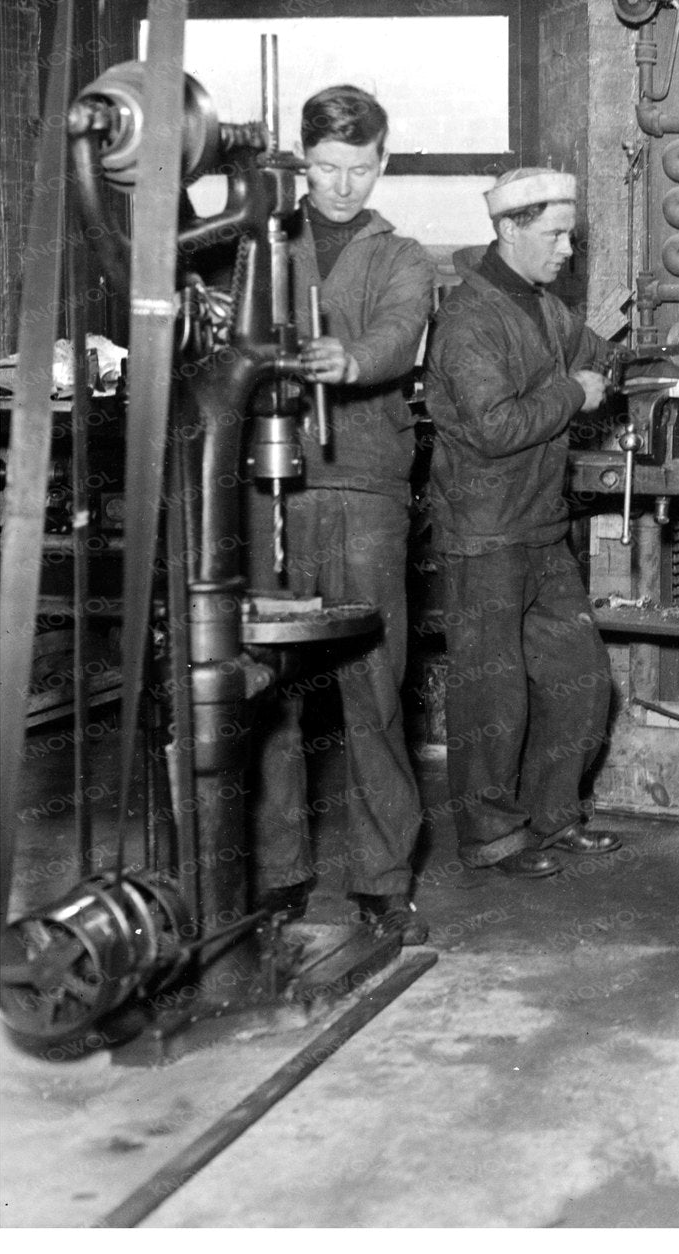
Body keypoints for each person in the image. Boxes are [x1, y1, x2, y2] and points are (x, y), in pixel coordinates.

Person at [250, 85, 437, 944]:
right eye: (326, 167)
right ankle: (275, 871)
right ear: (302, 160)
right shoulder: (260, 245)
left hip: (365, 491)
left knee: (372, 688)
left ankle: (382, 878)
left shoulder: (402, 255)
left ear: (382, 161)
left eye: (359, 168)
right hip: (271, 490)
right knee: (268, 686)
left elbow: (399, 336)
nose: (342, 185)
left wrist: (349, 360)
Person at [425, 166, 624, 878]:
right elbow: (495, 428)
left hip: (539, 525)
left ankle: (553, 814)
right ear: (509, 229)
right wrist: (573, 393)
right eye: (555, 235)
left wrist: (623, 361)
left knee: (581, 677)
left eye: (570, 234)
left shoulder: (538, 305)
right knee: (491, 693)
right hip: (485, 532)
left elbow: (592, 352)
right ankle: (491, 837)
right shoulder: (470, 321)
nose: (568, 249)